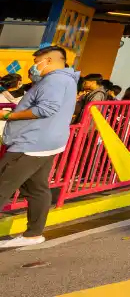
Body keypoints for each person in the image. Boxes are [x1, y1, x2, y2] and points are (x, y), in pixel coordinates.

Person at [0, 46, 79, 248]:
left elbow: (46, 108)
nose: (35, 66)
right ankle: (33, 234)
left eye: (37, 62)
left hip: (31, 142)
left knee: (3, 185)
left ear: (50, 61)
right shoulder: (66, 80)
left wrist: (9, 115)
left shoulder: (54, 80)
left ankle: (33, 233)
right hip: (48, 142)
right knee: (36, 188)